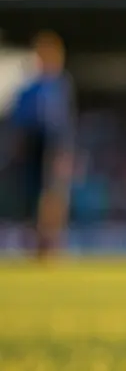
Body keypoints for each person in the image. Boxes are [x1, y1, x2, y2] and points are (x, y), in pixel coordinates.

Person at [5, 31, 76, 260]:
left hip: (52, 147)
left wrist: (64, 153)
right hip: (32, 147)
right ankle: (34, 246)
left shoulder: (60, 85)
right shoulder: (28, 88)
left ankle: (51, 247)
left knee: (53, 198)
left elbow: (63, 124)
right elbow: (19, 123)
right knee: (31, 198)